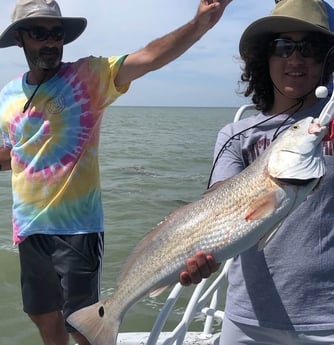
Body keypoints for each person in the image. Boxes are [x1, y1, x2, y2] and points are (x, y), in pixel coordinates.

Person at [0, 0, 233, 344]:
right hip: (29, 229)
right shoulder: (9, 94)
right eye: (39, 33)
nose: (51, 41)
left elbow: (148, 57)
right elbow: (14, 153)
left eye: (56, 33)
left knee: (83, 324)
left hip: (77, 229)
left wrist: (199, 24)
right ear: (20, 39)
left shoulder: (87, 76)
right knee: (42, 315)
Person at [179, 0, 334, 344]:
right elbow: (220, 210)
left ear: (328, 58)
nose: (295, 58)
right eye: (283, 46)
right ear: (265, 57)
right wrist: (203, 256)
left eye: (310, 48)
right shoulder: (237, 134)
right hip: (247, 319)